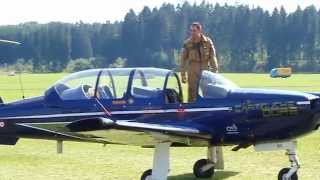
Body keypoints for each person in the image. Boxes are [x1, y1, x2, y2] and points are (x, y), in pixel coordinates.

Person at [180, 22, 219, 102]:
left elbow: (212, 57)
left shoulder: (208, 42)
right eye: (191, 31)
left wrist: (215, 71)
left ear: (199, 31)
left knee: (207, 90)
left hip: (205, 69)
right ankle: (191, 110)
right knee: (192, 92)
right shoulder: (187, 43)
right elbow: (183, 60)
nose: (192, 33)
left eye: (194, 30)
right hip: (192, 69)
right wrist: (183, 74)